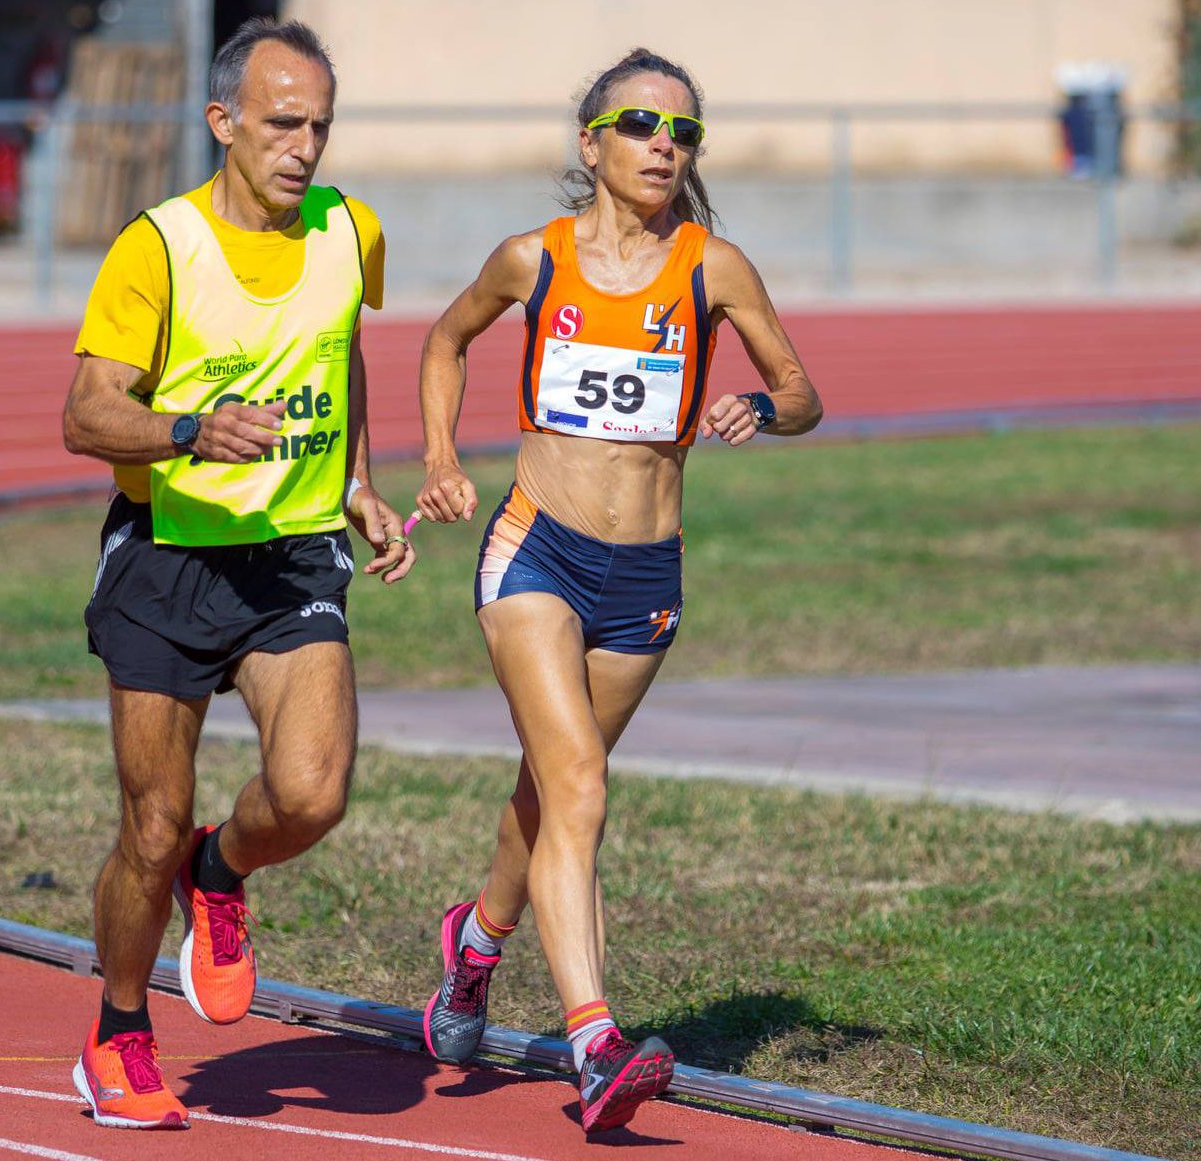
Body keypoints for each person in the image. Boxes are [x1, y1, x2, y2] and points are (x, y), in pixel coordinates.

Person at [413, 49, 822, 1134]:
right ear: (590, 144)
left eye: (683, 133)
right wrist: (441, 457)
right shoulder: (532, 258)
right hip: (534, 550)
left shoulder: (713, 268)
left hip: (645, 574)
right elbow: (446, 339)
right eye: (641, 125)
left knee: (552, 789)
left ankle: (475, 945)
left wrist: (761, 409)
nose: (663, 147)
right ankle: (595, 1041)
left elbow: (802, 391)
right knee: (581, 783)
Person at [59, 17, 411, 1131]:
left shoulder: (352, 230)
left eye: (320, 127)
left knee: (311, 794)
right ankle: (118, 1032)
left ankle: (222, 869)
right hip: (167, 555)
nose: (304, 148)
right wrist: (190, 429)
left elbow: (342, 348)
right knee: (149, 826)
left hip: (291, 554)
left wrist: (357, 482)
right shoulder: (157, 247)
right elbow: (85, 413)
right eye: (281, 124)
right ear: (223, 122)